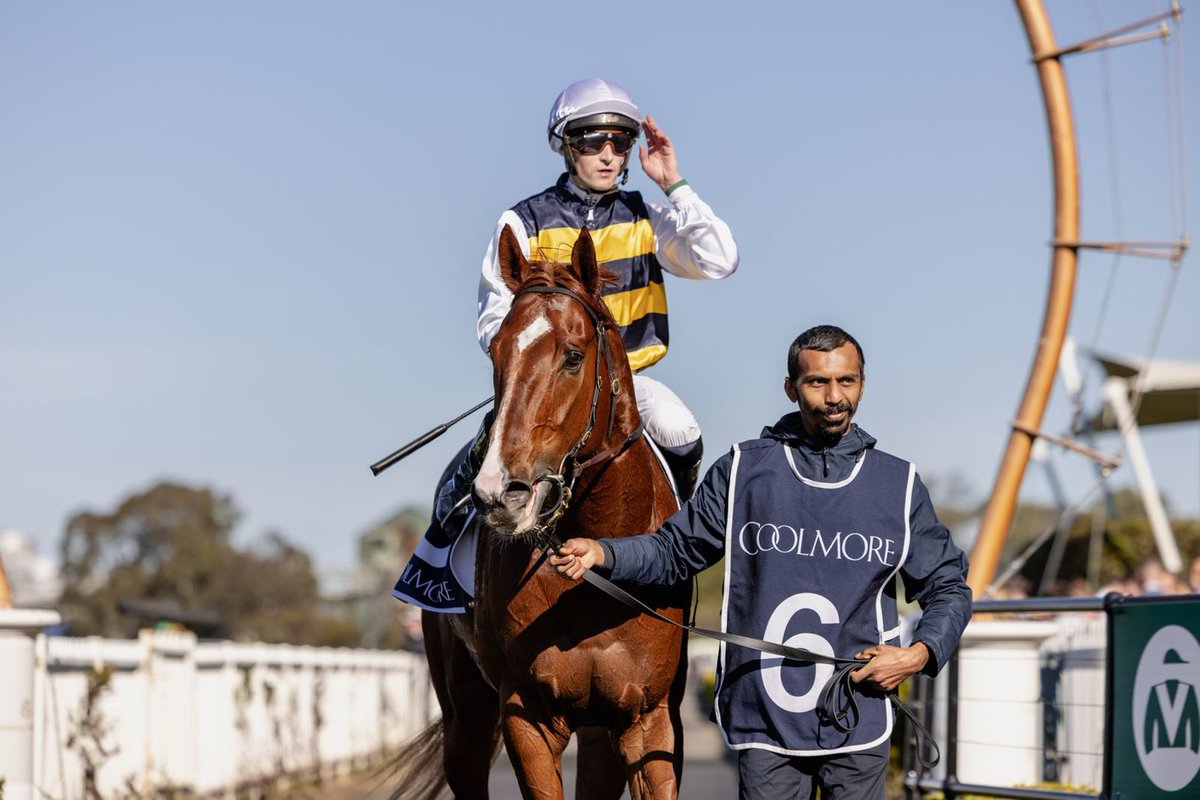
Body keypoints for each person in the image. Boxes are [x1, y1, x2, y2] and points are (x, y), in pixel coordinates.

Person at [551, 325, 973, 800]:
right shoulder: (741, 470)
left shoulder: (899, 484)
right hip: (764, 720)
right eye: (817, 382)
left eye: (847, 381)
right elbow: (674, 552)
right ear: (791, 388)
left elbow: (948, 587)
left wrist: (917, 655)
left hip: (859, 712)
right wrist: (604, 553)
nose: (835, 397)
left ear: (862, 383)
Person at [393, 78, 739, 614]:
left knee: (681, 431)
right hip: (546, 381)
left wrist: (676, 184)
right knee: (481, 461)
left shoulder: (648, 216)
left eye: (620, 142)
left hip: (629, 384)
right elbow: (494, 317)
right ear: (565, 145)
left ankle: (671, 547)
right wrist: (538, 361)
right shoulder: (522, 220)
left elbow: (719, 260)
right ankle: (438, 567)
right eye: (592, 141)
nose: (608, 154)